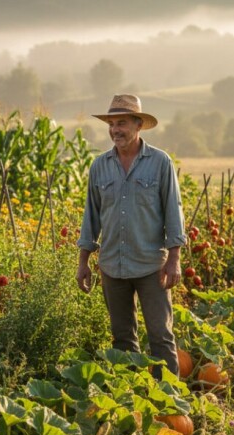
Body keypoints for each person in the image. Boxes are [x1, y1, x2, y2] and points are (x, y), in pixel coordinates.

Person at [76, 94, 186, 378]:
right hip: (112, 266)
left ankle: (169, 404)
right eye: (111, 124)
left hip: (152, 266)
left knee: (160, 337)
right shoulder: (99, 166)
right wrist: (83, 262)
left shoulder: (160, 163)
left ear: (138, 125)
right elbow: (91, 217)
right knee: (122, 340)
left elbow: (174, 211)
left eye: (121, 123)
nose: (115, 130)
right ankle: (130, 400)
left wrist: (174, 259)